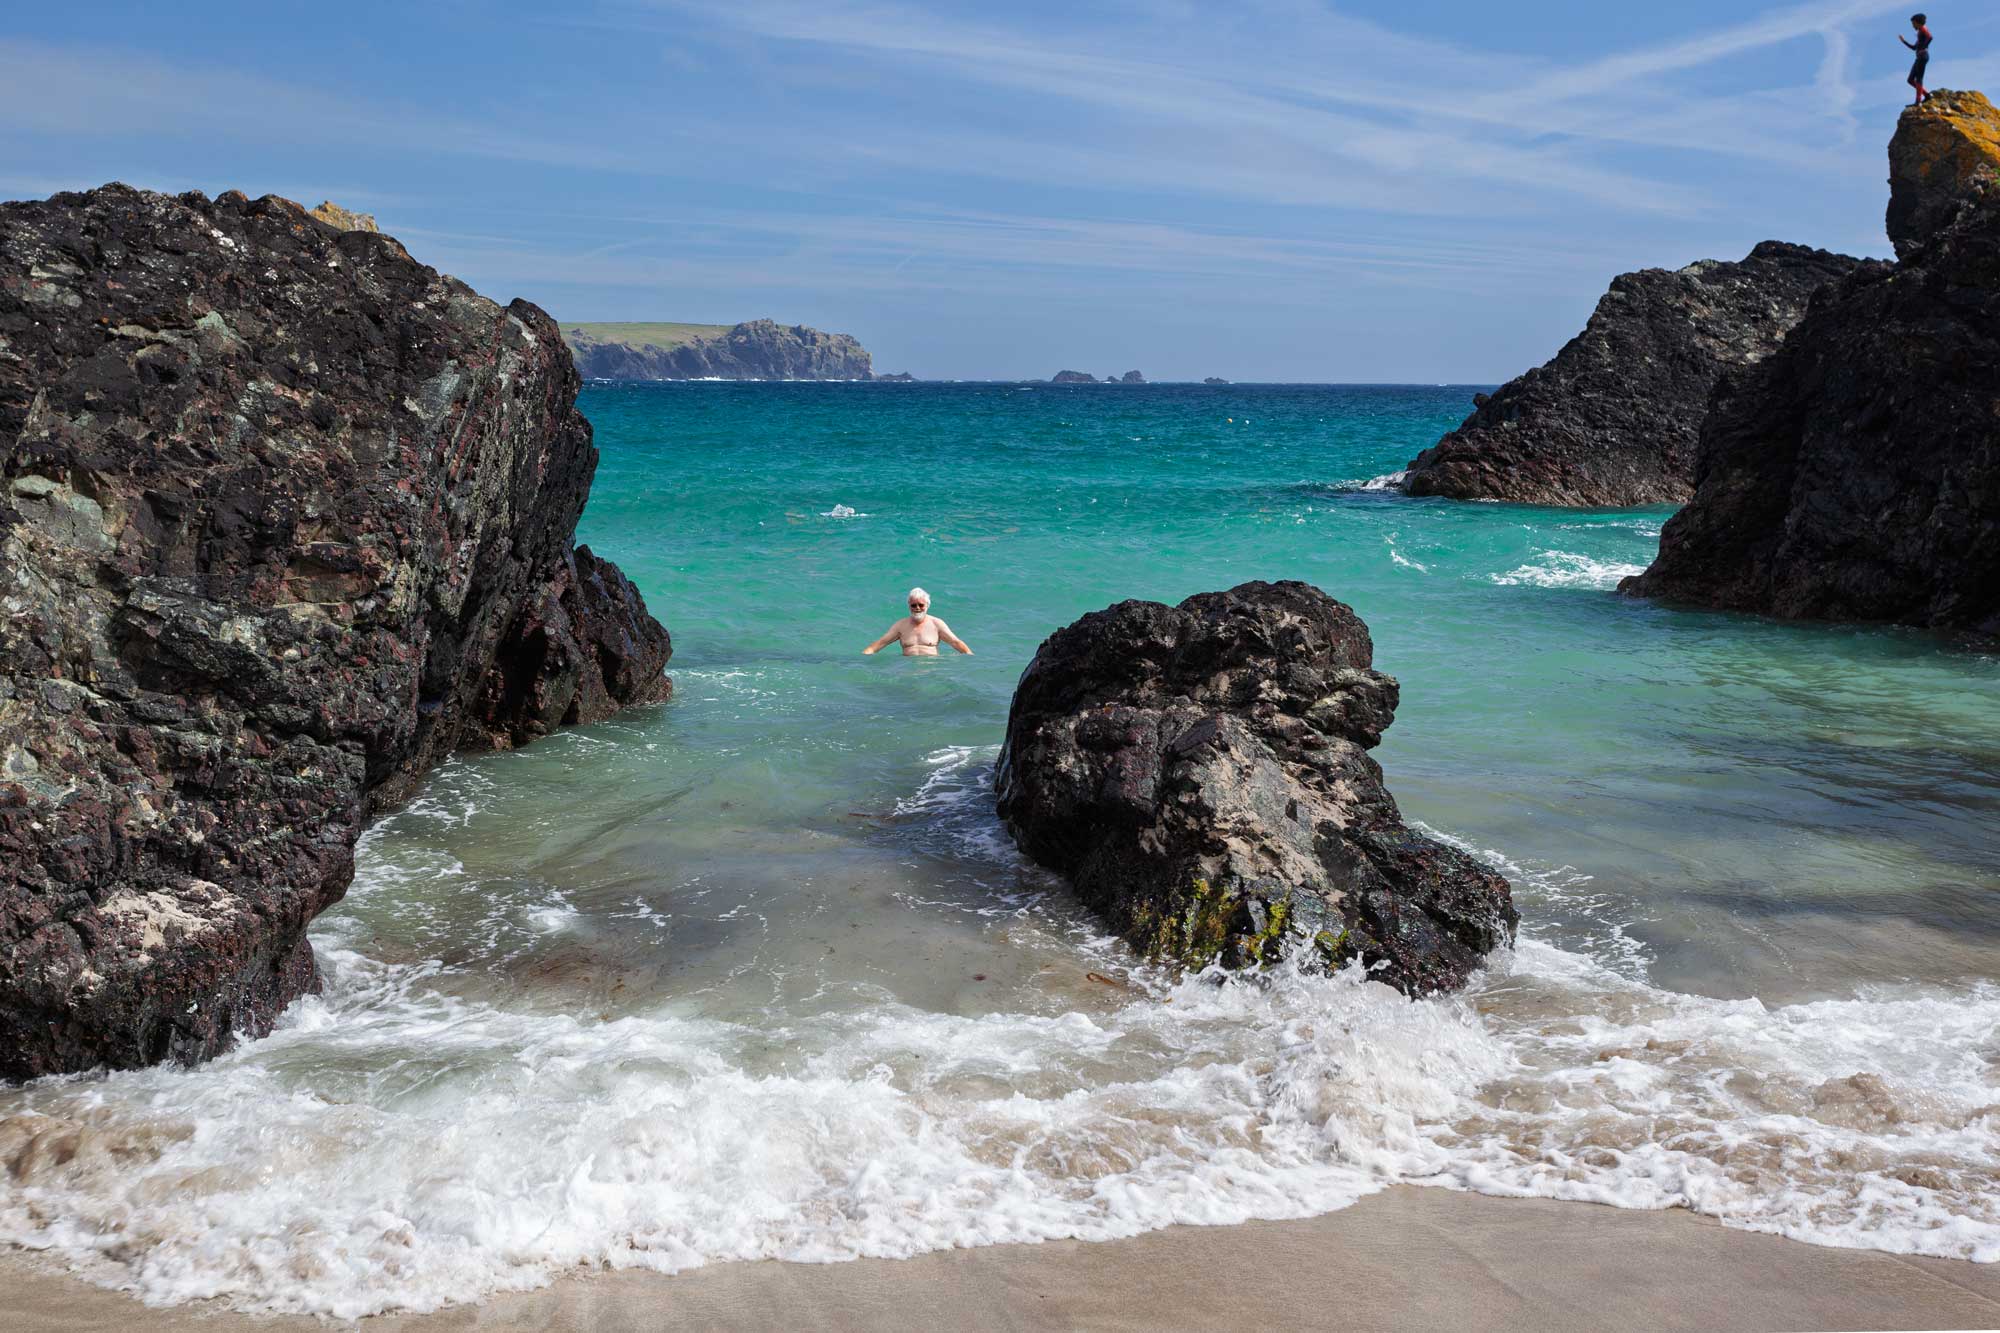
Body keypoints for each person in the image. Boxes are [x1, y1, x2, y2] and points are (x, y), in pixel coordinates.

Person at [863, 587, 973, 656]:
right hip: (908, 670)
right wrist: (863, 656)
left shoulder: (937, 624)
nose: (917, 608)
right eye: (913, 605)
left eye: (921, 605)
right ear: (909, 606)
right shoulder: (900, 626)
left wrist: (969, 656)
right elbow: (881, 643)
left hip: (932, 669)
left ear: (927, 605)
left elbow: (955, 642)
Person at [1901, 14, 1933, 106]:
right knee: (1910, 80)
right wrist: (1904, 41)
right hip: (1919, 57)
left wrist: (1924, 47)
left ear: (1918, 23)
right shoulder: (1920, 32)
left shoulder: (1923, 29)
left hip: (1923, 56)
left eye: (1913, 23)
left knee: (1919, 78)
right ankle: (1927, 95)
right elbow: (1914, 48)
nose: (1913, 26)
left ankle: (1918, 101)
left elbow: (1930, 37)